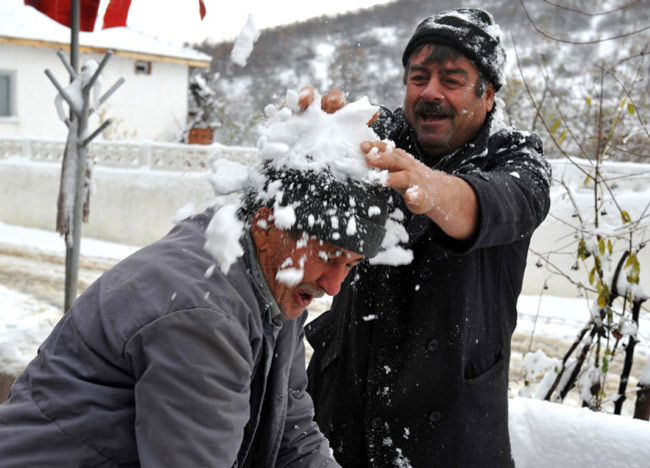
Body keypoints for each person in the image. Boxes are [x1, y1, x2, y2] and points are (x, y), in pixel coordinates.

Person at [0, 164, 389, 467]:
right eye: (328, 255)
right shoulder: (203, 316)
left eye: (351, 265)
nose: (335, 285)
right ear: (267, 225)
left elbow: (289, 423)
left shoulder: (273, 279)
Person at [305, 8, 553, 467]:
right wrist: (312, 130)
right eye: (419, 77)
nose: (430, 93)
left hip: (449, 437)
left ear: (488, 93)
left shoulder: (519, 160)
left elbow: (492, 204)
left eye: (452, 80)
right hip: (339, 416)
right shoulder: (381, 136)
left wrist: (432, 189)